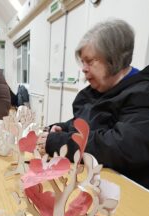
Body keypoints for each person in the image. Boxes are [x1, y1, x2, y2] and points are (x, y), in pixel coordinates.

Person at [40, 19, 149, 189]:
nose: (83, 68)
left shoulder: (142, 93)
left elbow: (119, 147)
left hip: (123, 191)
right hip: (90, 180)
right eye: (82, 62)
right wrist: (62, 127)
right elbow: (85, 123)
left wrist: (60, 142)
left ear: (114, 59)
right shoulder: (96, 90)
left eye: (89, 61)